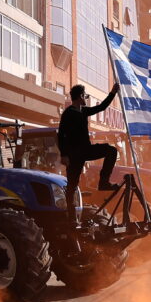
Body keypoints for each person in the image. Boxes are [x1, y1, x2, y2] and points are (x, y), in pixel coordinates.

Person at [57, 82, 121, 224]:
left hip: (86, 150)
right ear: (80, 96)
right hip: (74, 155)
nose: (86, 98)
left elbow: (101, 107)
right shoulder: (68, 113)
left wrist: (113, 93)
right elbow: (61, 135)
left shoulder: (83, 111)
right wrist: (64, 155)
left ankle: (104, 182)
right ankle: (71, 218)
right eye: (85, 95)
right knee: (72, 186)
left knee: (111, 151)